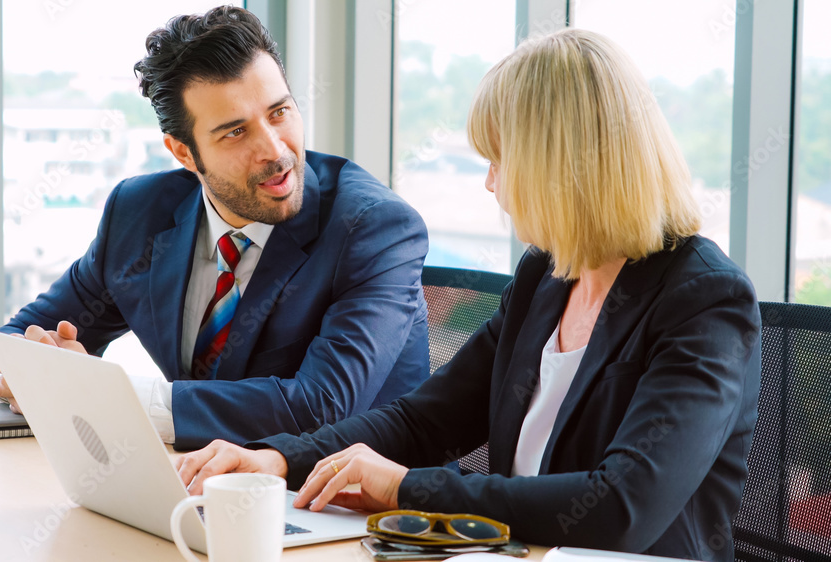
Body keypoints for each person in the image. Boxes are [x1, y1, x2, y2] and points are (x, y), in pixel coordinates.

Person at [174, 29, 761, 561]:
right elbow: (425, 420)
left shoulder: (705, 299)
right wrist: (277, 459)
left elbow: (623, 507)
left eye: (500, 160)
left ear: (561, 167)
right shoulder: (546, 277)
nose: (490, 182)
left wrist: (405, 487)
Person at [0, 6, 430, 451]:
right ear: (184, 153)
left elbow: (320, 406)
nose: (274, 150)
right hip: (200, 487)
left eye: (279, 112)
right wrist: (19, 374)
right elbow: (25, 333)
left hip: (347, 509)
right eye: (235, 132)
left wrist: (111, 399)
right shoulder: (139, 214)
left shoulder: (375, 228)